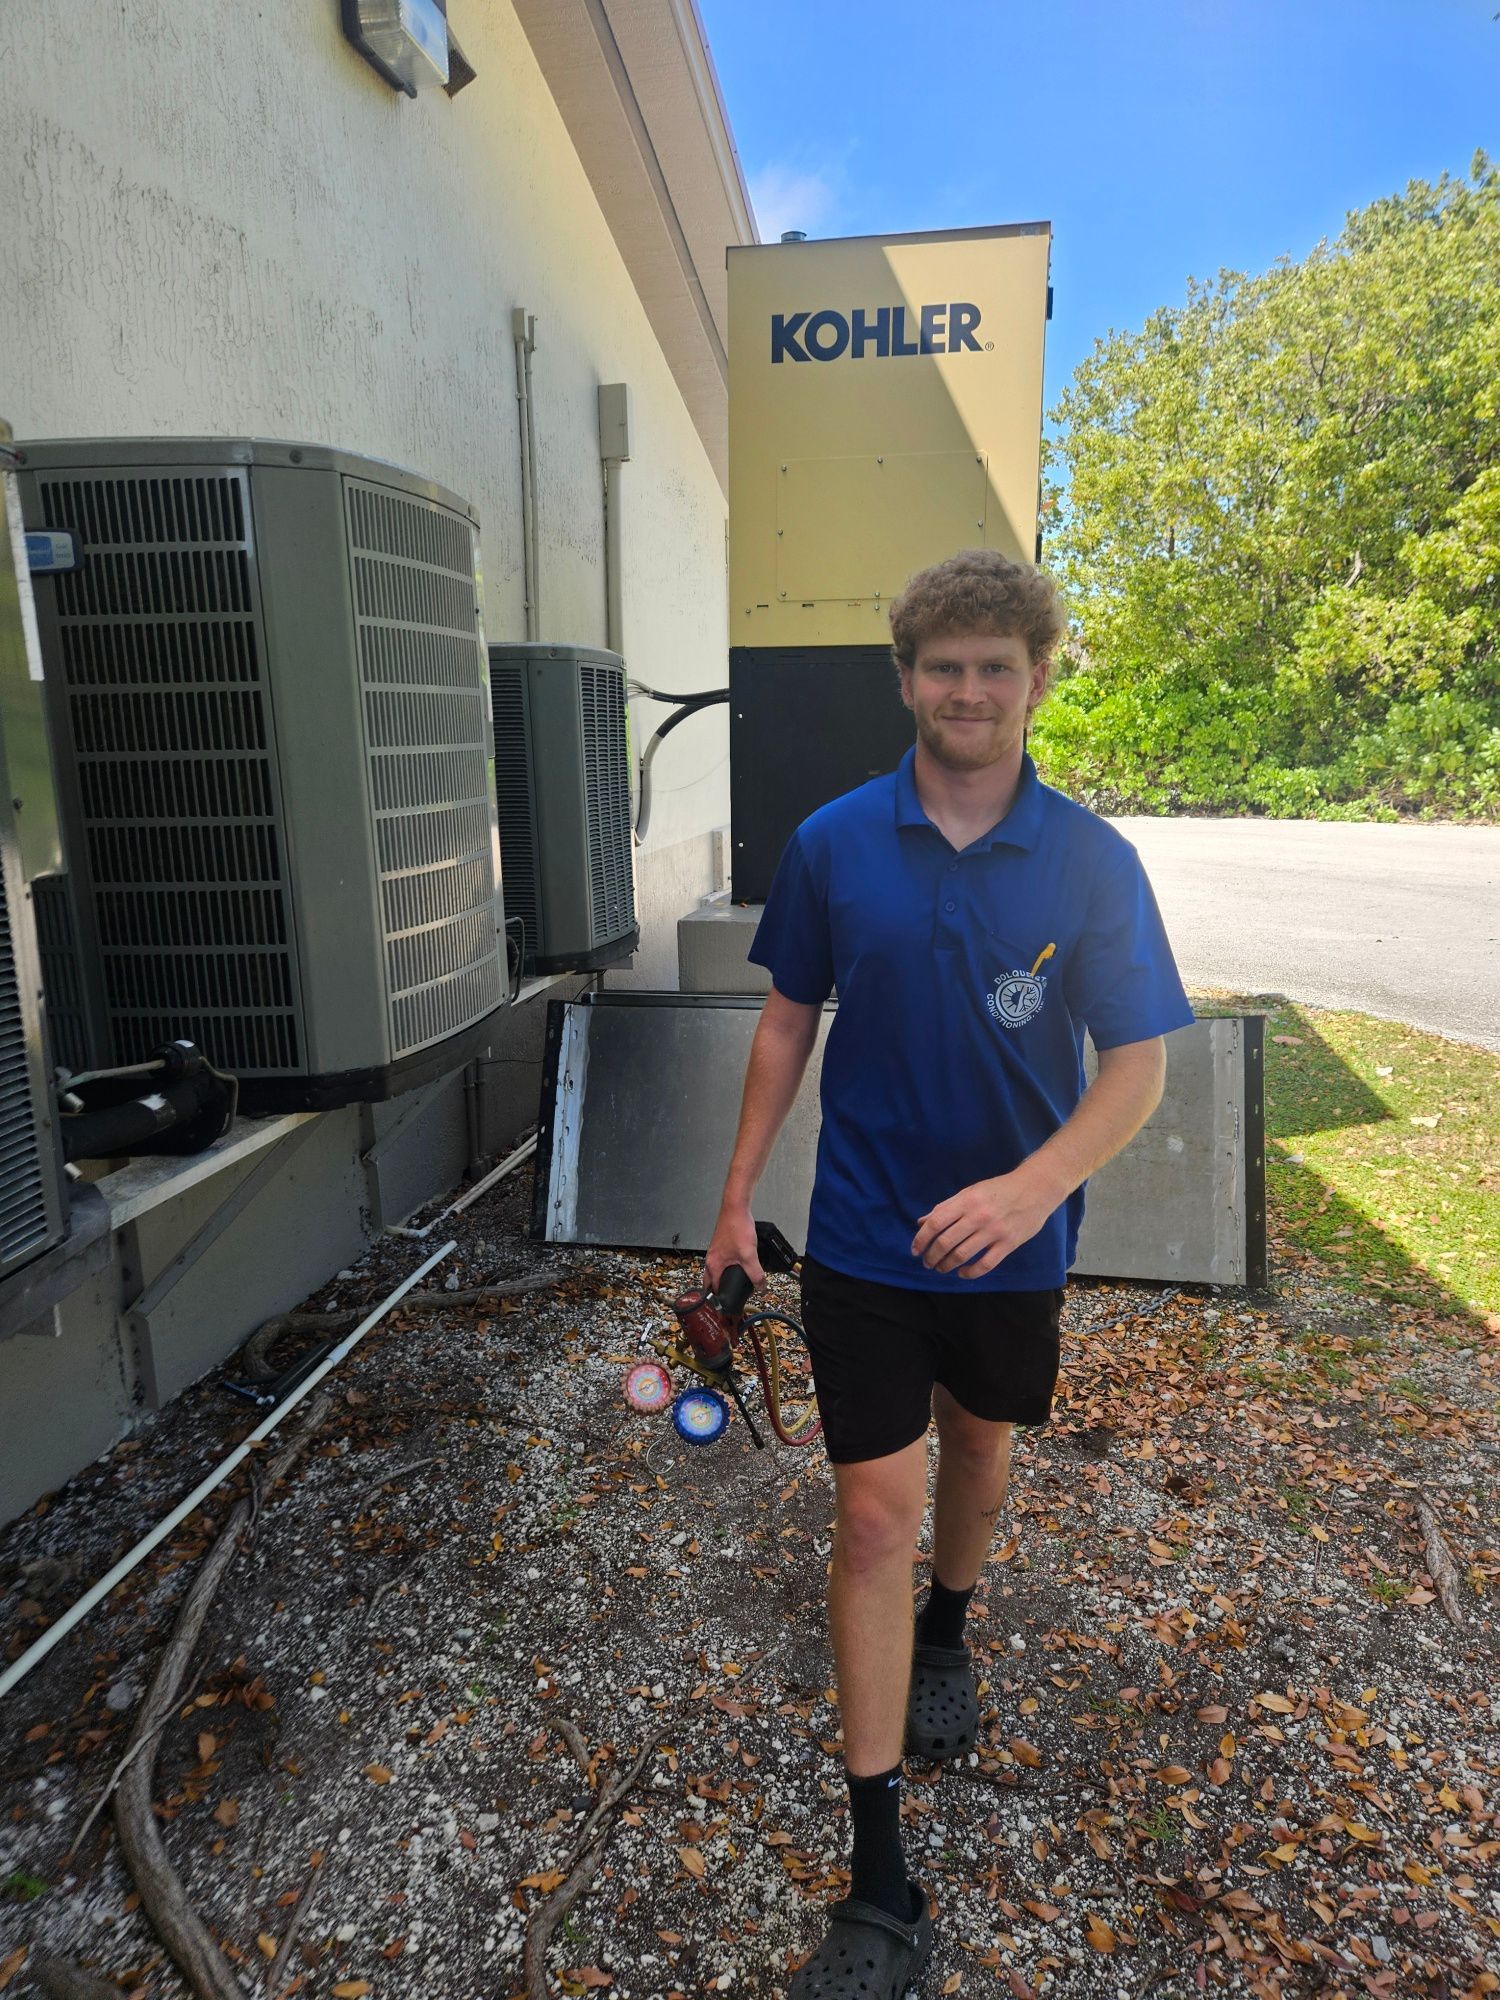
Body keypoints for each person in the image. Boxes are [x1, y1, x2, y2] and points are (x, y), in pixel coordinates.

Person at [704, 549, 1195, 1999]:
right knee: (871, 1511)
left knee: (981, 1444)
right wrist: (734, 1201)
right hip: (860, 1237)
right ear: (906, 679)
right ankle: (878, 1882)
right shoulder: (834, 841)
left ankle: (950, 1629)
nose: (969, 690)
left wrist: (1033, 1187)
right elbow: (787, 1026)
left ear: (1037, 680)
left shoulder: (1093, 863)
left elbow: (1140, 1065)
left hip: (1015, 1248)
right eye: (943, 666)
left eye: (997, 665)